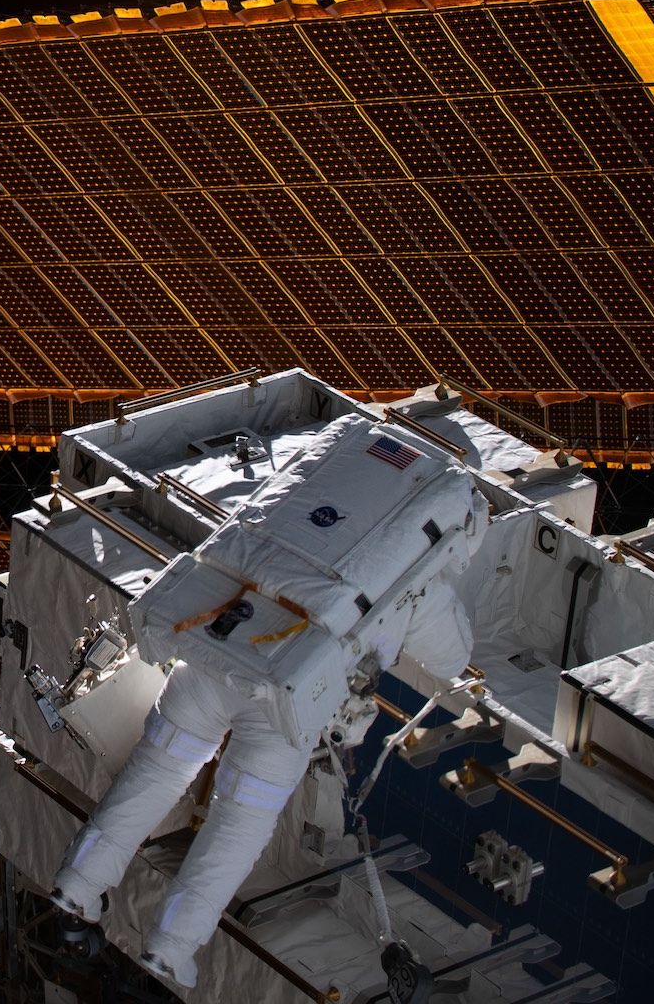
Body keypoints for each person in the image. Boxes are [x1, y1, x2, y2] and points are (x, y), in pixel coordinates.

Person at [48, 415, 483, 988]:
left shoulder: (337, 460)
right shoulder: (424, 532)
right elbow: (452, 657)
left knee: (157, 768)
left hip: (213, 642)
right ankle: (170, 947)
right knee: (238, 821)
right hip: (284, 695)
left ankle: (78, 885)